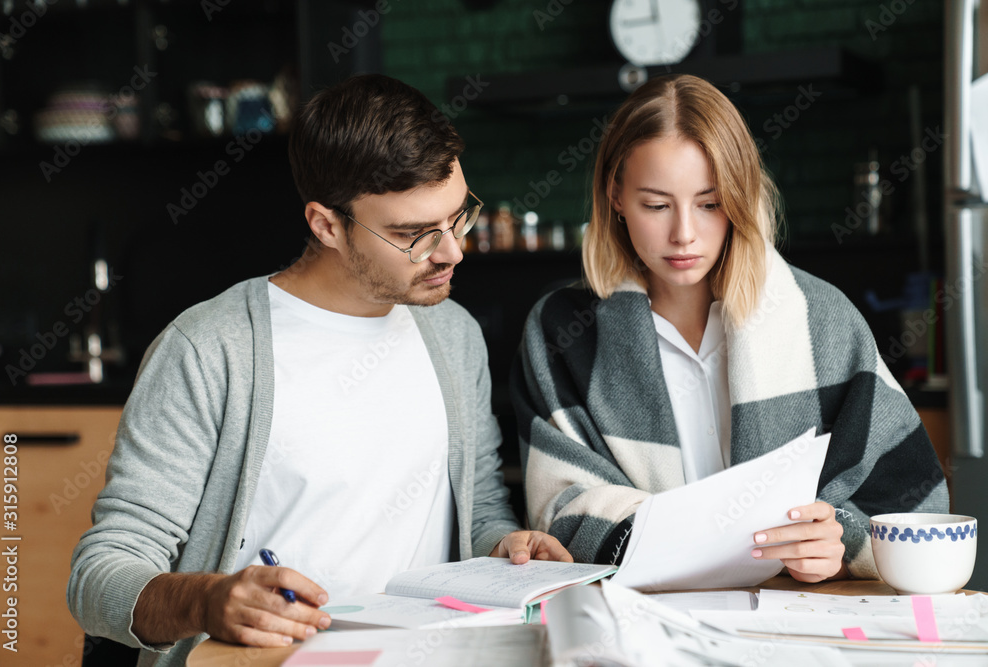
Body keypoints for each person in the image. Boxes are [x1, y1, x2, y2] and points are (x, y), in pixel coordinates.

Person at [68, 74, 570, 667]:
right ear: (326, 225)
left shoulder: (452, 333)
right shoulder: (210, 349)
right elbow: (98, 576)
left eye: (458, 218)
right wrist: (207, 600)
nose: (452, 252)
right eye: (414, 235)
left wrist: (505, 545)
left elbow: (480, 502)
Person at [511, 74, 947, 582]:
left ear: (740, 196)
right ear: (615, 195)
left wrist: (840, 541)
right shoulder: (561, 332)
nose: (684, 234)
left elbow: (917, 510)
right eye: (655, 205)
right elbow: (559, 509)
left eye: (710, 203)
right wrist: (702, 541)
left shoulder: (822, 320)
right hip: (638, 625)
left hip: (792, 625)